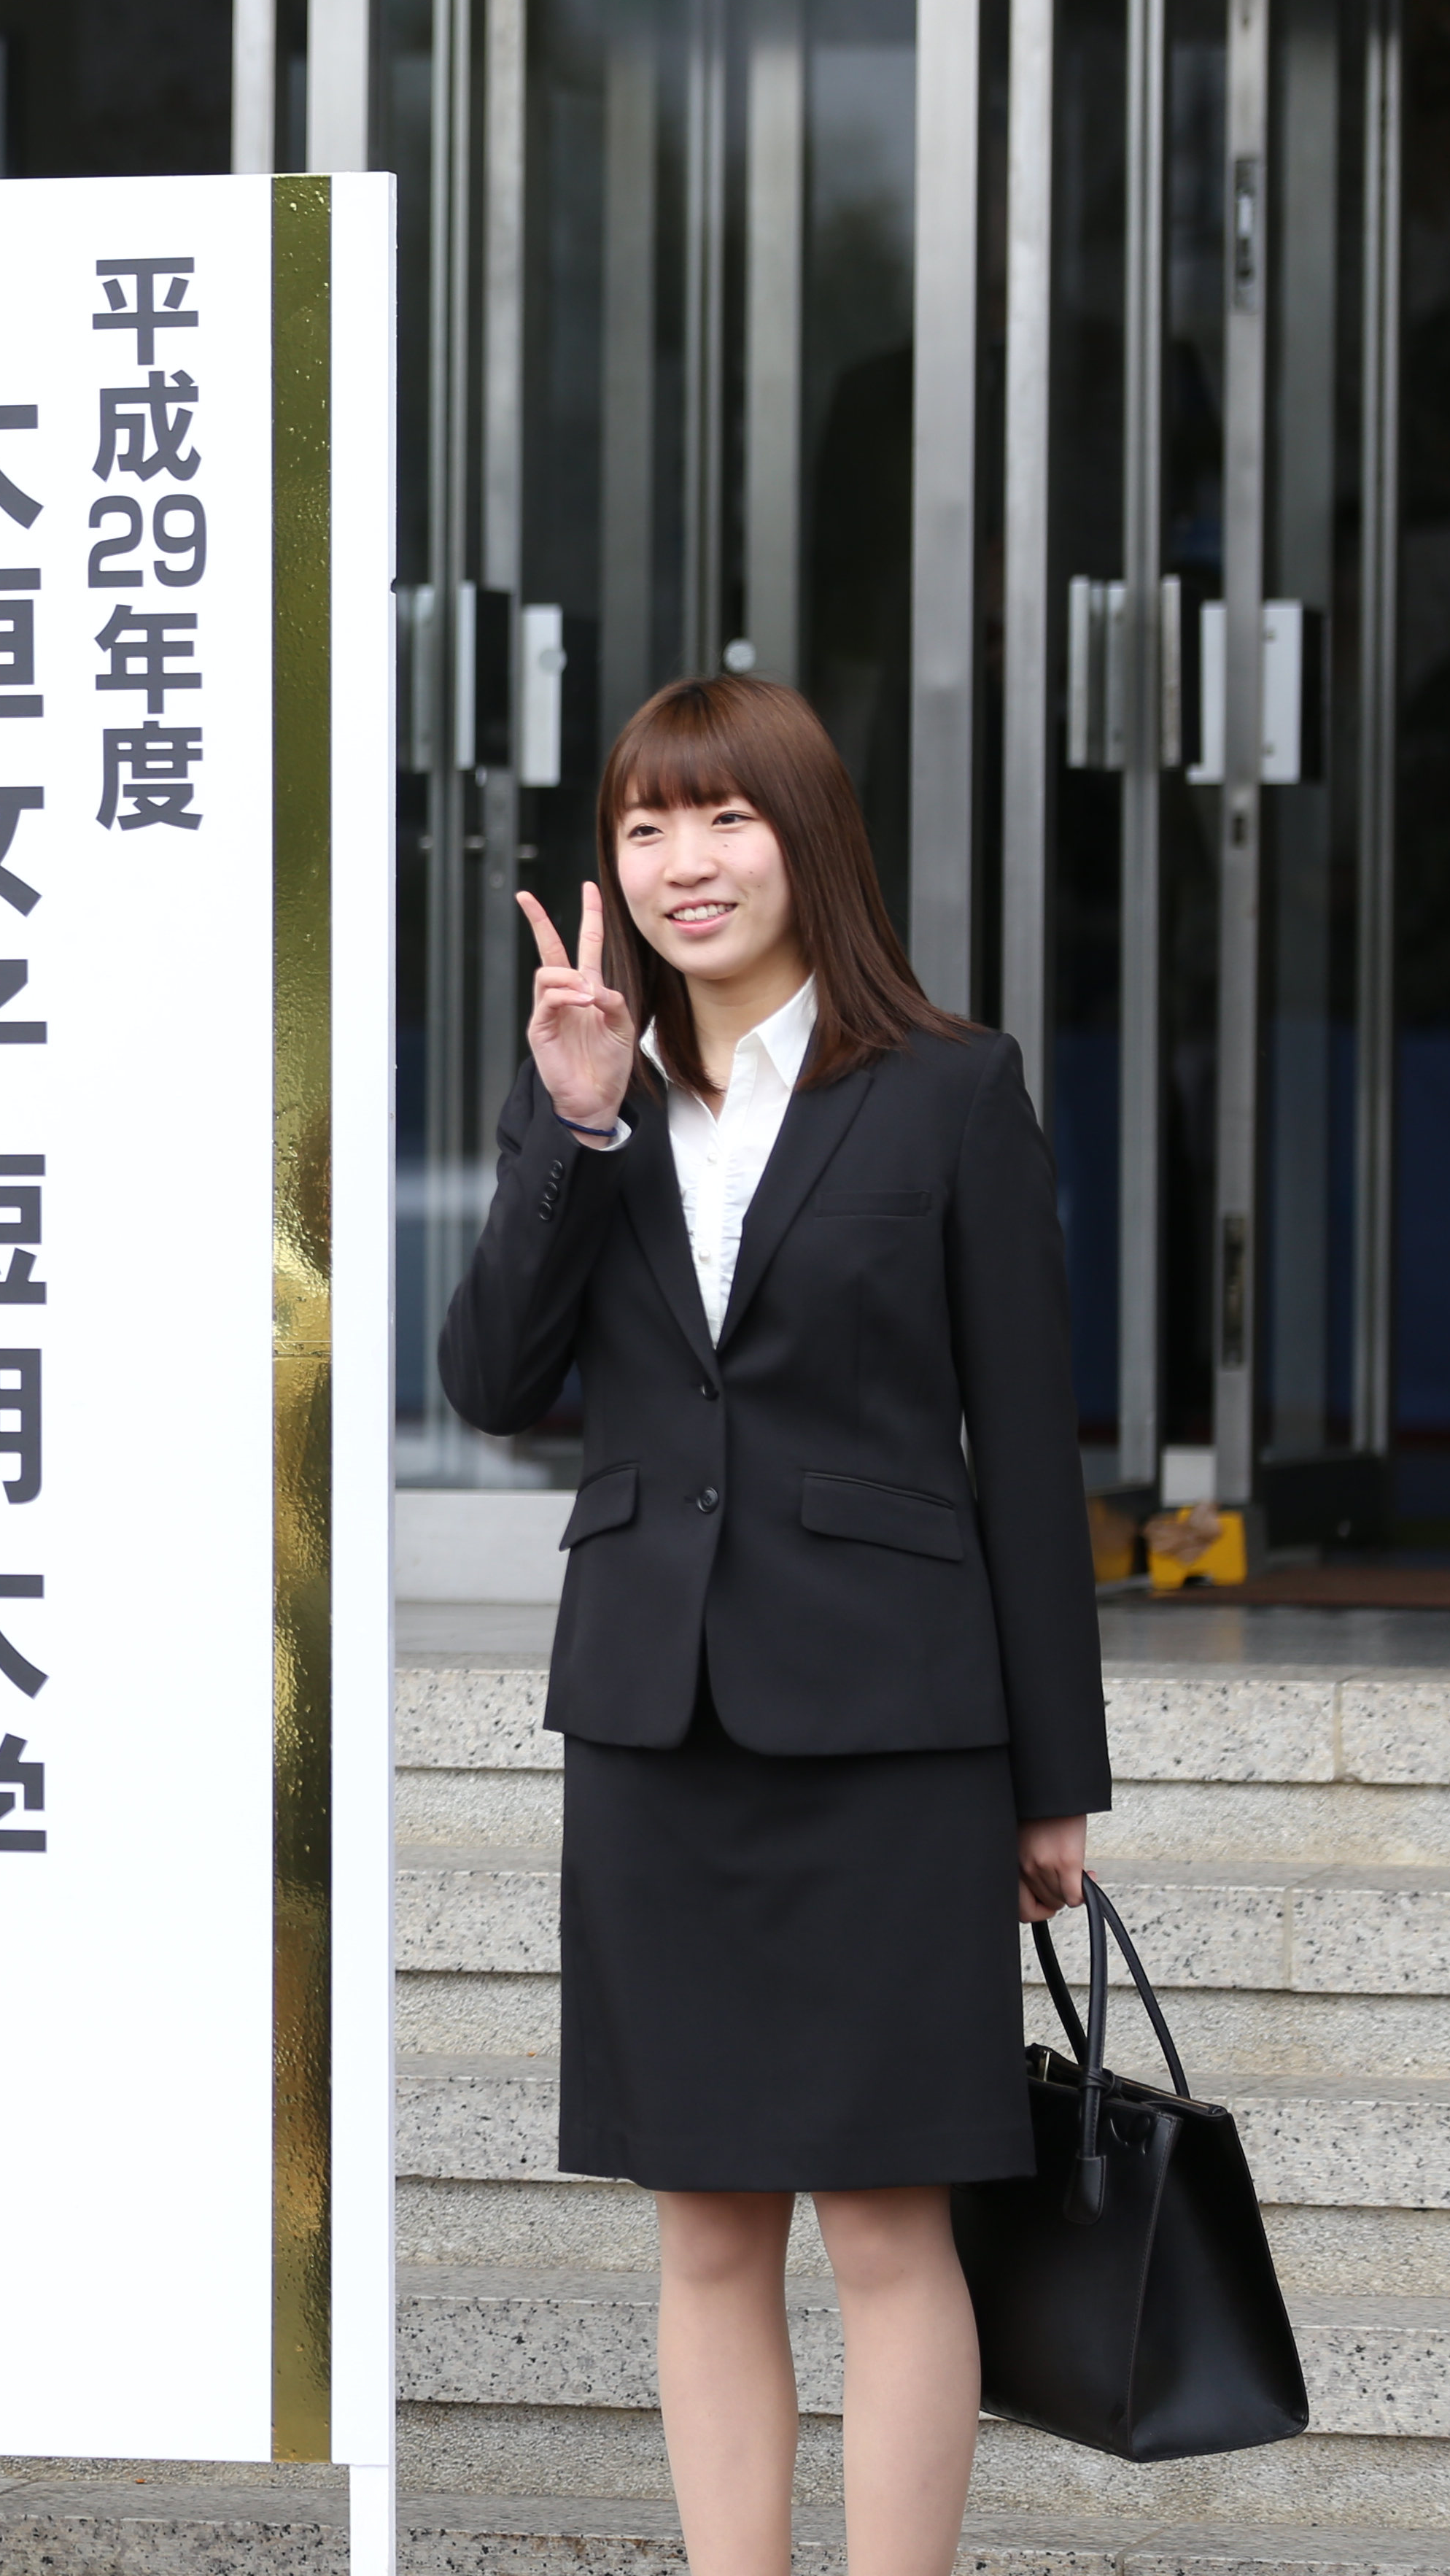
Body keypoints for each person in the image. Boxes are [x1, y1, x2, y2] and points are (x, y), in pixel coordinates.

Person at [436, 674, 1108, 2576]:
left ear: (806, 836)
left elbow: (1025, 1454)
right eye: (645, 826)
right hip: (661, 1730)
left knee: (893, 2227)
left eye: (721, 818)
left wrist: (1052, 1781)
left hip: (895, 1733)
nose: (681, 864)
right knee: (705, 2226)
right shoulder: (589, 1094)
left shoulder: (951, 1092)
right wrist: (572, 1130)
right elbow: (491, 1378)